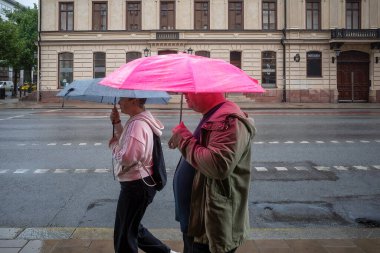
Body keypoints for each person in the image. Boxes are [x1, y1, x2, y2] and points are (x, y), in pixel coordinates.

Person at [169, 93, 256, 253]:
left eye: (190, 88)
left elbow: (217, 165)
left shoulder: (229, 120)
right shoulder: (214, 115)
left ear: (208, 88)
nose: (184, 93)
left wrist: (184, 139)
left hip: (210, 229)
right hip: (197, 223)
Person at [109, 97, 178, 253]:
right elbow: (128, 143)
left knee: (124, 235)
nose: (119, 102)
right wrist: (117, 123)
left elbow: (128, 157)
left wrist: (113, 146)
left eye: (122, 99)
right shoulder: (139, 120)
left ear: (134, 101)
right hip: (140, 183)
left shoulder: (137, 124)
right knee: (131, 226)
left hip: (136, 185)